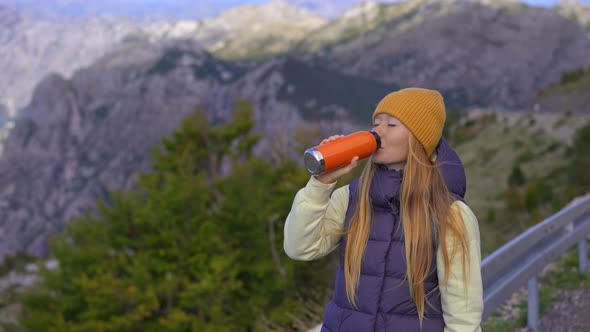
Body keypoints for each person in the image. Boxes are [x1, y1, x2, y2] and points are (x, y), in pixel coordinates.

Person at [284, 88, 483, 332]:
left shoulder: (450, 214)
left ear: (419, 138)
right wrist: (320, 185)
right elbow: (299, 248)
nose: (377, 131)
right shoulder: (351, 198)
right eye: (376, 123)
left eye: (391, 125)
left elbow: (463, 319)